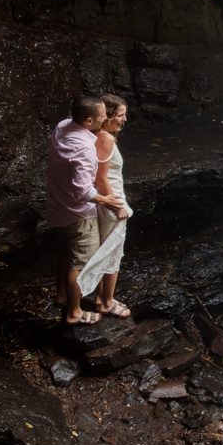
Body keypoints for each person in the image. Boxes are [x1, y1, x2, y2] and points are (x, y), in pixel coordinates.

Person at [46, 96, 124, 325]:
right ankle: (74, 312)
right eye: (102, 117)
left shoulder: (63, 126)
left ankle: (62, 296)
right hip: (77, 212)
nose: (106, 119)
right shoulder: (85, 149)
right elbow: (82, 190)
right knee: (82, 261)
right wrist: (107, 201)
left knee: (66, 252)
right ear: (89, 121)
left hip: (56, 205)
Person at [75, 93, 133, 317]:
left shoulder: (102, 135)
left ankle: (102, 296)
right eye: (120, 114)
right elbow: (100, 179)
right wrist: (117, 205)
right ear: (107, 116)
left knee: (110, 249)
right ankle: (105, 301)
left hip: (111, 199)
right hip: (112, 200)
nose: (124, 119)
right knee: (113, 252)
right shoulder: (105, 139)